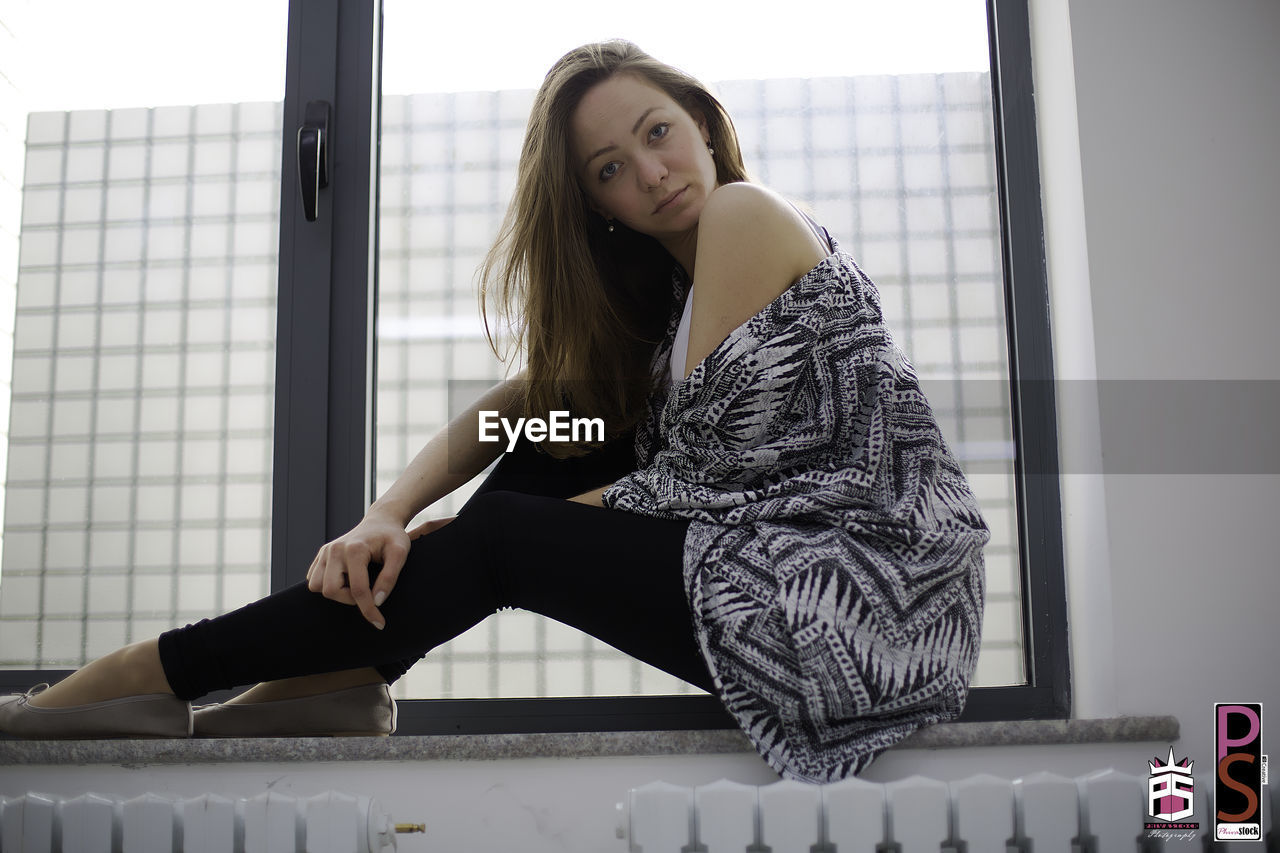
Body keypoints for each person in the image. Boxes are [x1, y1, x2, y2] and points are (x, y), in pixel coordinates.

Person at [0, 41, 988, 782]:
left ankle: (159, 669)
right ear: (593, 202)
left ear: (696, 116)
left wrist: (477, 541)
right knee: (554, 439)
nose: (648, 173)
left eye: (655, 132)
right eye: (608, 168)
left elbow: (703, 474)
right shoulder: (661, 317)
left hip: (868, 602)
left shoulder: (746, 214)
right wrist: (383, 519)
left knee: (509, 527)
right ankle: (327, 689)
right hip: (782, 588)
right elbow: (499, 418)